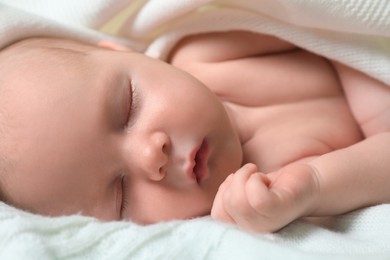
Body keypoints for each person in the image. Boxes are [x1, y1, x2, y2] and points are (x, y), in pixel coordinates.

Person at [0, 30, 389, 233]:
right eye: (121, 195)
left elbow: (316, 17)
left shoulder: (210, 49)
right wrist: (315, 186)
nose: (151, 157)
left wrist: (364, 80)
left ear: (126, 53)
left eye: (128, 107)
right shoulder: (265, 198)